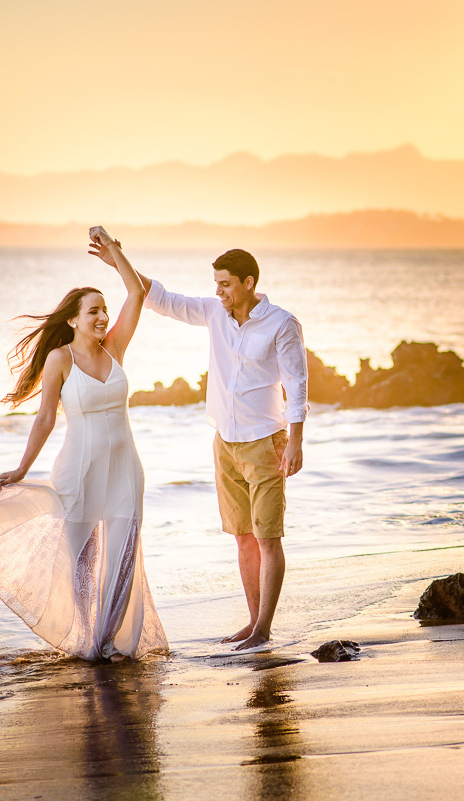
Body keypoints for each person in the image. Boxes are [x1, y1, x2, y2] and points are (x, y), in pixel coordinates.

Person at [0, 228, 168, 661]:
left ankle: (107, 643)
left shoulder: (115, 349)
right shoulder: (60, 359)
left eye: (104, 310)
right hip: (79, 474)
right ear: (72, 320)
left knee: (123, 559)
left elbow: (137, 293)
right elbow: (46, 417)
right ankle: (87, 640)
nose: (102, 316)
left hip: (127, 472)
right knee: (78, 564)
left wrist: (114, 253)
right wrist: (22, 468)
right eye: (93, 310)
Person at [129, 247, 307, 651]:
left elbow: (297, 385)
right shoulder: (214, 313)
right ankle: (252, 621)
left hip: (266, 442)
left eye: (225, 284)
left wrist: (296, 440)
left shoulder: (282, 323)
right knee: (243, 537)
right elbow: (161, 299)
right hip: (224, 442)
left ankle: (264, 629)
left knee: (268, 537)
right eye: (216, 284)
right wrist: (117, 258)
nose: (218, 291)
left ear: (248, 283)